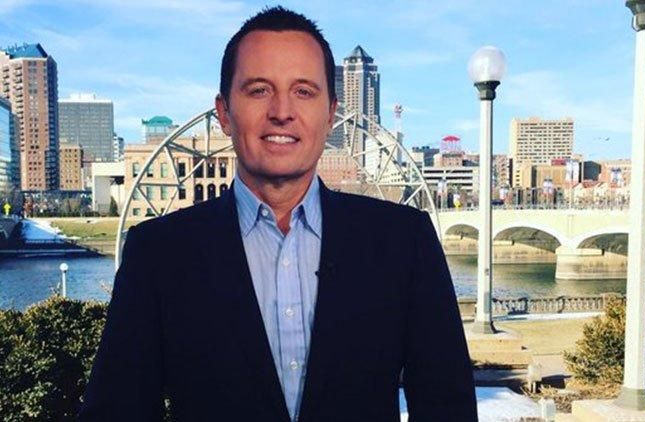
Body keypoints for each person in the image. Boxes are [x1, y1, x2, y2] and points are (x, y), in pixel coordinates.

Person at [80, 6, 476, 421]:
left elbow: (448, 406)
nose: (282, 111)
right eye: (258, 90)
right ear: (224, 113)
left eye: (303, 91)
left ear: (331, 114)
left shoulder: (403, 241)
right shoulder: (159, 253)